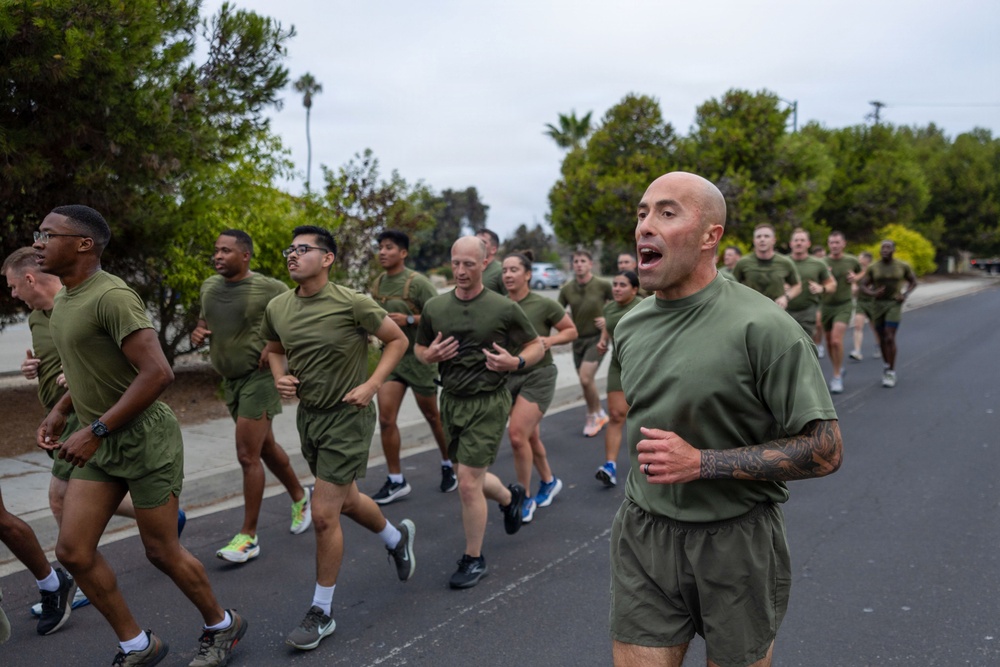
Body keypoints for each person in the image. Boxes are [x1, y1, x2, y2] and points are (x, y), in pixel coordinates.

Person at [611, 172, 842, 667]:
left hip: (736, 542)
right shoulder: (630, 325)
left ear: (710, 236)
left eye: (666, 213)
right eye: (642, 213)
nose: (645, 225)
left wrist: (703, 463)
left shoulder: (766, 327)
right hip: (645, 535)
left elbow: (825, 450)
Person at [34, 205, 246, 666]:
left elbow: (158, 373)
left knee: (161, 551)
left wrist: (95, 429)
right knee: (73, 550)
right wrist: (61, 410)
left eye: (48, 235)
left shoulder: (112, 297)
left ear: (83, 244)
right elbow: (88, 368)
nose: (37, 243)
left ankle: (222, 624)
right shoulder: (66, 299)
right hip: (100, 439)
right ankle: (137, 645)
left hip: (144, 439)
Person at [4, 248, 181, 622]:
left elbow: (143, 366)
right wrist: (33, 368)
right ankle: (156, 519)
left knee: (60, 499)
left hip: (92, 419)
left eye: (13, 286)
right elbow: (56, 358)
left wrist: (79, 376)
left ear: (30, 278)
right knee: (74, 500)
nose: (13, 295)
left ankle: (82, 576)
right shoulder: (38, 317)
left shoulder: (96, 300)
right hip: (62, 415)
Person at [260, 225, 416, 651]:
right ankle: (396, 539)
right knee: (347, 500)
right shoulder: (278, 306)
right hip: (310, 418)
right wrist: (280, 377)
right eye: (290, 249)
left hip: (348, 417)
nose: (292, 255)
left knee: (324, 513)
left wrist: (372, 385)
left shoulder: (353, 302)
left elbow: (397, 340)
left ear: (327, 258)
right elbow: (274, 349)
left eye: (303, 249)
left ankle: (321, 612)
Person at [415, 236, 544, 589]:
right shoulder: (435, 307)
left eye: (468, 264)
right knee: (465, 475)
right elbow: (419, 348)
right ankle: (510, 497)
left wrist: (516, 362)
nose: (460, 270)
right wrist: (428, 356)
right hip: (451, 400)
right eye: (455, 262)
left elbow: (536, 346)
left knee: (469, 484)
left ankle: (474, 558)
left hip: (488, 401)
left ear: (485, 263)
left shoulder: (503, 308)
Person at [191, 230, 311, 565]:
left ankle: (249, 537)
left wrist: (275, 347)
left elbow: (298, 319)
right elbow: (204, 322)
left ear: (245, 255)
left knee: (247, 456)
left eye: (226, 251)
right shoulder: (209, 287)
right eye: (216, 250)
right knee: (265, 447)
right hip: (229, 382)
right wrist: (198, 332)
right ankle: (301, 497)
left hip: (259, 380)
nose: (218, 256)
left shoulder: (269, 288)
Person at [368, 230, 456, 504]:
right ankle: (396, 480)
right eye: (380, 247)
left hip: (419, 358)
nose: (383, 252)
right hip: (392, 359)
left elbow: (441, 316)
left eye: (389, 247)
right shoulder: (378, 283)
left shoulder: (418, 283)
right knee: (386, 419)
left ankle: (450, 464)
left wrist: (408, 320)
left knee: (432, 416)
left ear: (403, 253)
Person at [501, 251, 578, 522]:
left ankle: (524, 498)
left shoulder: (543, 304)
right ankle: (549, 481)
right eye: (504, 270)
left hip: (539, 374)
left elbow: (571, 330)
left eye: (513, 270)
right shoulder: (499, 305)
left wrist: (549, 341)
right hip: (509, 376)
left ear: (527, 274)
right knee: (529, 437)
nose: (508, 274)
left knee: (517, 435)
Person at [594, 270, 643, 488]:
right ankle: (610, 466)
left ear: (635, 289)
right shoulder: (609, 308)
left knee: (643, 416)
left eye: (623, 285)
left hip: (642, 364)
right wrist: (602, 341)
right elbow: (608, 328)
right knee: (615, 415)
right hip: (618, 363)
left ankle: (649, 463)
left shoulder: (644, 306)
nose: (616, 288)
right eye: (614, 284)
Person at [558, 250, 613, 437]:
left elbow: (619, 304)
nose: (579, 264)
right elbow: (557, 312)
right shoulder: (567, 289)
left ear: (590, 264)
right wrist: (565, 321)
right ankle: (599, 413)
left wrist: (607, 319)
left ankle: (591, 416)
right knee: (586, 382)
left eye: (583, 261)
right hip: (577, 340)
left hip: (597, 339)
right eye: (576, 261)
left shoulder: (602, 285)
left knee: (585, 378)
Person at [859, 240, 917, 388]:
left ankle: (891, 371)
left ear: (893, 250)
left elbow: (913, 282)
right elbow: (863, 285)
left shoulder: (902, 266)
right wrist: (873, 293)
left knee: (889, 336)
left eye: (888, 247)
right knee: (882, 339)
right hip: (878, 305)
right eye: (883, 248)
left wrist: (905, 294)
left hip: (894, 303)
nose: (885, 250)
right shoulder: (873, 267)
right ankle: (886, 364)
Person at [821, 231, 863, 393]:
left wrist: (856, 278)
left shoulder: (851, 260)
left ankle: (837, 376)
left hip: (844, 304)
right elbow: (813, 280)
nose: (834, 245)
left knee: (836, 340)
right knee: (829, 342)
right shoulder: (822, 262)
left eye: (837, 242)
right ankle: (837, 367)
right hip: (825, 305)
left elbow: (863, 272)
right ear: (828, 244)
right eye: (831, 242)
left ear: (844, 244)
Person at [732, 223, 801, 310]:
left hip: (776, 310)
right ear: (754, 241)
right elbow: (731, 286)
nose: (762, 239)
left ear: (774, 240)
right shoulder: (743, 262)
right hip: (750, 310)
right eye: (758, 237)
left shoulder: (785, 263)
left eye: (766, 236)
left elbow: (797, 286)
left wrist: (786, 297)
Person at [786, 228, 836, 349]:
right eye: (796, 240)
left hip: (807, 311)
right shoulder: (782, 262)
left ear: (808, 243)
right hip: (784, 310)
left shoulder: (818, 264)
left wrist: (821, 288)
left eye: (802, 240)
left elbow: (832, 285)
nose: (799, 243)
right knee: (786, 347)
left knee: (804, 345)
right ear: (791, 243)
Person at [851, 251, 880, 361]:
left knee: (875, 327)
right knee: (858, 326)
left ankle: (878, 346)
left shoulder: (874, 271)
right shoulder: (857, 272)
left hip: (873, 302)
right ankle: (857, 351)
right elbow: (854, 285)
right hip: (861, 302)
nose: (858, 259)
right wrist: (854, 288)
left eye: (860, 258)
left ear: (866, 260)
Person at [475, 228, 506, 295]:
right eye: (475, 242)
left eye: (483, 242)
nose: (477, 245)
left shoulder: (501, 271)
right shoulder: (471, 269)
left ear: (493, 249)